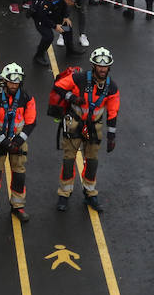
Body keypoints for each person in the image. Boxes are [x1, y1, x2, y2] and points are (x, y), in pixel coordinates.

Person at [50, 47, 121, 212]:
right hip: (74, 124)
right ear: (93, 65)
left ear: (109, 67)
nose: (102, 69)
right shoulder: (79, 78)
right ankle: (64, 194)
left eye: (105, 66)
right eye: (99, 65)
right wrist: (72, 97)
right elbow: (58, 87)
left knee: (92, 162)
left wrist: (111, 137)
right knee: (69, 160)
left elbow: (112, 112)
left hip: (94, 127)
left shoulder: (112, 88)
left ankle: (90, 193)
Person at [0, 63, 37, 226]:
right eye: (11, 82)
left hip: (18, 141)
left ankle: (18, 206)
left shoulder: (26, 98)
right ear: (5, 81)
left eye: (17, 82)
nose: (14, 85)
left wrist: (18, 141)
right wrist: (4, 142)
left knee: (19, 174)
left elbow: (31, 121)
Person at [31, 0, 79, 68]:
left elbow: (65, 6)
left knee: (67, 27)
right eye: (72, 3)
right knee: (48, 37)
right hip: (40, 16)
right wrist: (54, 26)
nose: (72, 5)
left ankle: (70, 50)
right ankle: (38, 56)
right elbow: (42, 15)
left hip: (53, 12)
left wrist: (65, 16)